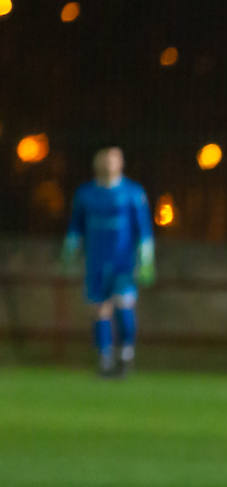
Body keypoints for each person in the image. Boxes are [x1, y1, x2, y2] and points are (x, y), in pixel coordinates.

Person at [61, 146, 155, 377]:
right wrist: (70, 246)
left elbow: (143, 229)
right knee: (99, 309)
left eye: (113, 160)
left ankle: (125, 354)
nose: (108, 164)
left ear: (121, 163)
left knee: (124, 305)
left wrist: (146, 258)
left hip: (124, 261)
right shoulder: (85, 194)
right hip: (96, 261)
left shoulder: (133, 192)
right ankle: (105, 358)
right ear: (96, 163)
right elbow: (76, 225)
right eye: (104, 159)